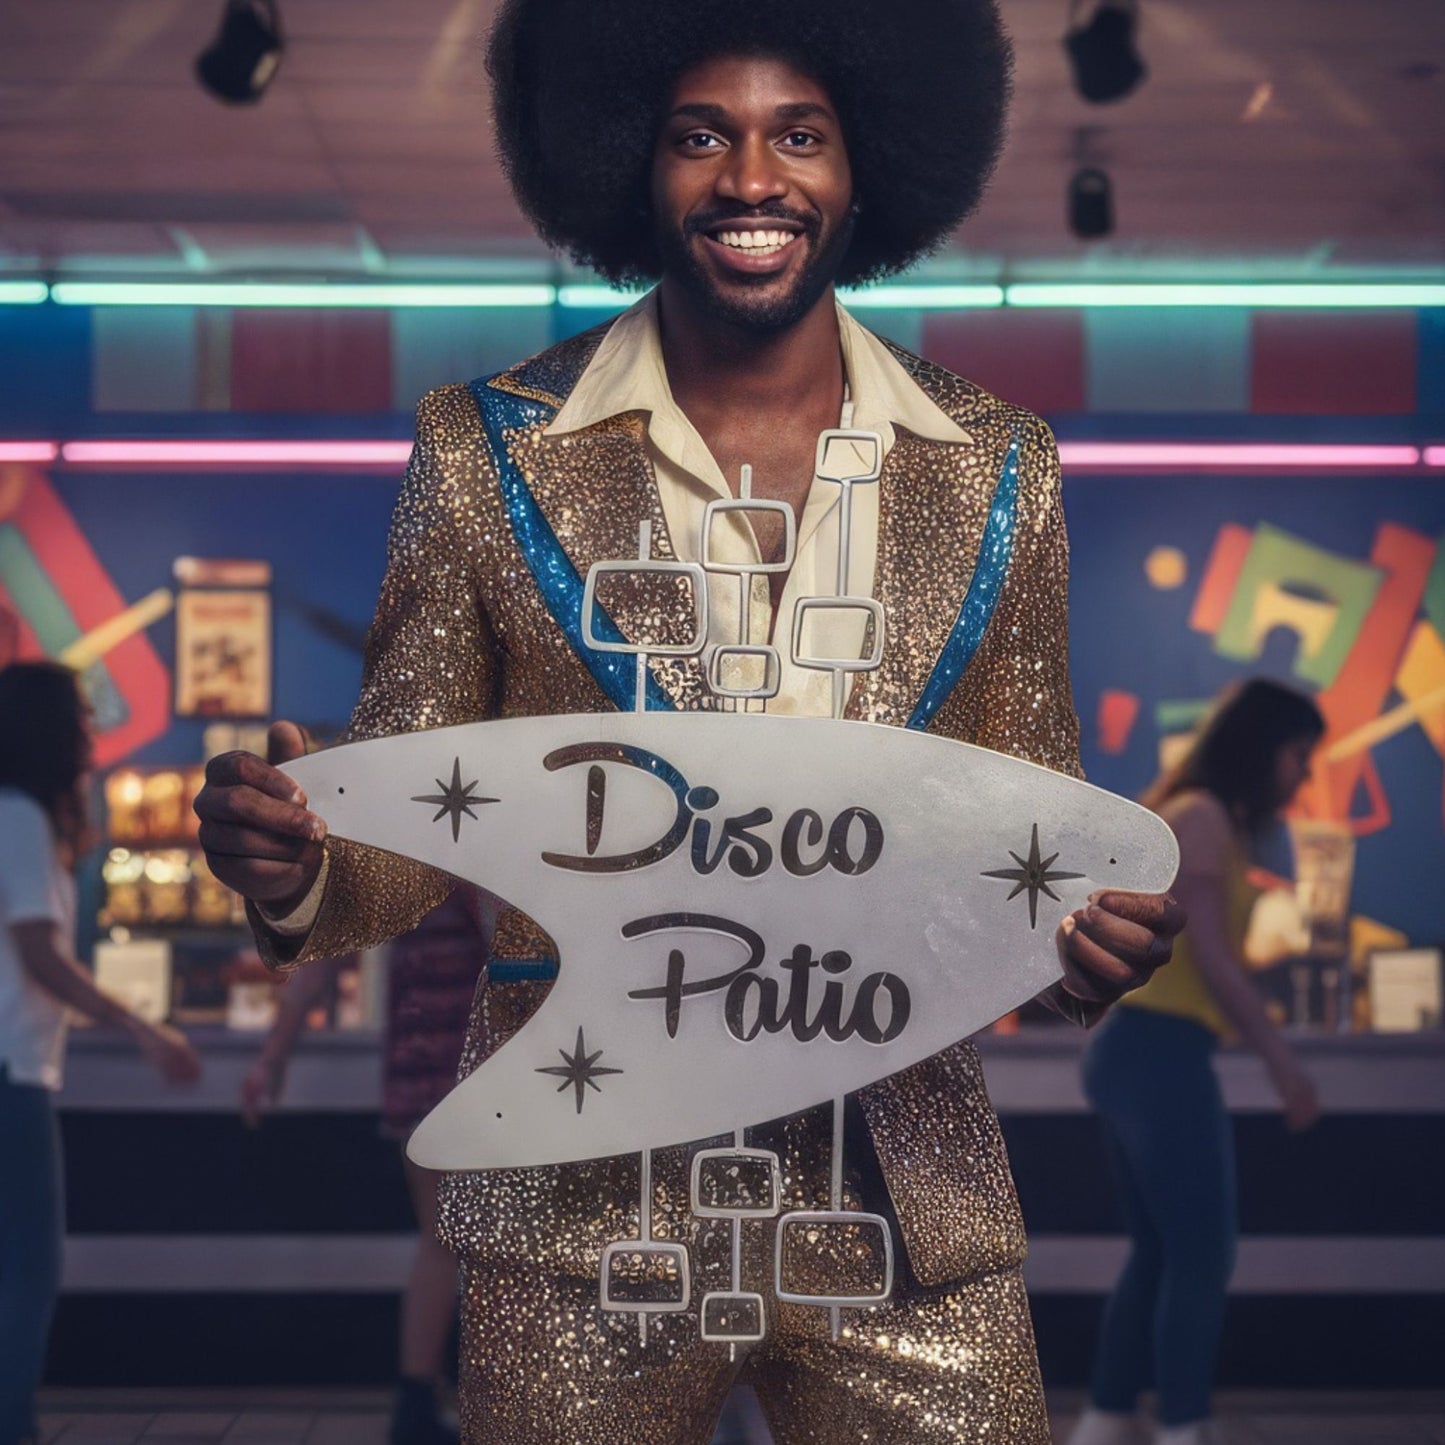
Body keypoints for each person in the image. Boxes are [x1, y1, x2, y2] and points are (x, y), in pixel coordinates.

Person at [194, 2, 1186, 1439]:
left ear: (869, 168)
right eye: (698, 135)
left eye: (801, 134)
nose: (751, 179)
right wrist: (306, 861)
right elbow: (409, 832)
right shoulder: (486, 453)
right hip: (586, 1198)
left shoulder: (997, 470)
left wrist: (1092, 944)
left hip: (899, 1191)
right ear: (623, 161)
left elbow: (1031, 829)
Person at [1068, 679, 1326, 1445]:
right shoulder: (1204, 817)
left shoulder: (1203, 817)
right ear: (1259, 746)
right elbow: (1211, 956)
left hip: (1141, 1051)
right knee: (1203, 1251)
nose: (1302, 773)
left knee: (1159, 1249)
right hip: (1156, 1051)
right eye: (1296, 753)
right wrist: (1284, 1063)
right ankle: (1181, 1425)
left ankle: (1108, 1417)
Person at [0, 661, 201, 1445]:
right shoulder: (17, 816)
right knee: (28, 1272)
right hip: (9, 1077)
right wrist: (145, 1028)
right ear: (47, 728)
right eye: (82, 716)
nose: (92, 731)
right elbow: (40, 955)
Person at [241, 890, 494, 1445]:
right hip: (479, 1073)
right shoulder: (476, 860)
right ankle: (470, 1404)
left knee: (442, 1243)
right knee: (482, 1247)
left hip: (422, 1068)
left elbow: (317, 963)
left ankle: (418, 1404)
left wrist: (272, 1058)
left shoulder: (395, 858)